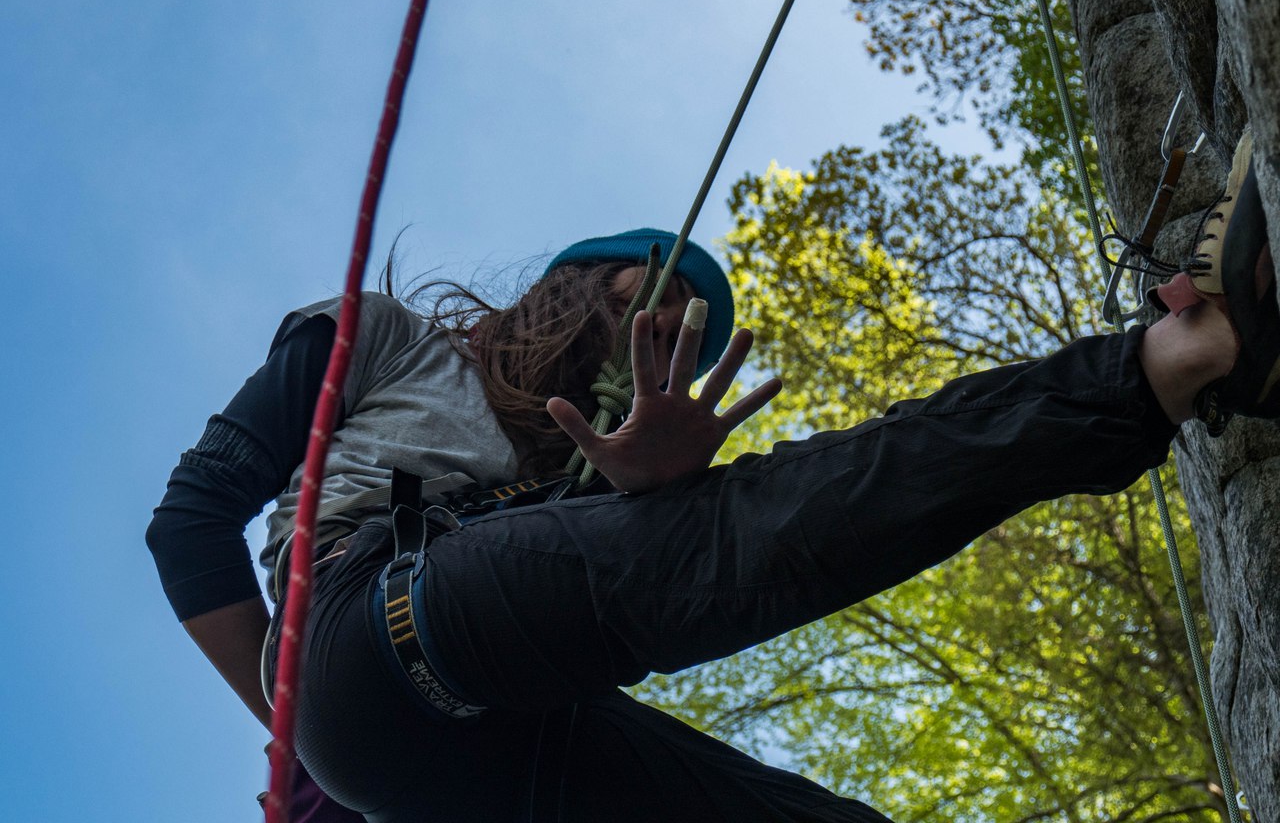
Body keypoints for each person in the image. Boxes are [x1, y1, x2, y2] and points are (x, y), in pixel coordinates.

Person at [148, 133, 1279, 823]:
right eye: (641, 301)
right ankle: (1173, 356)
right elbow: (191, 525)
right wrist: (298, 725)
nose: (646, 339)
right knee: (748, 530)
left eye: (679, 338)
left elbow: (605, 577)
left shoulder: (554, 490)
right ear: (576, 280)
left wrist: (634, 486)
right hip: (369, 623)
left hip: (501, 720)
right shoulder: (382, 337)